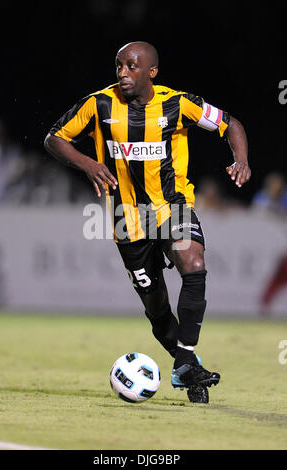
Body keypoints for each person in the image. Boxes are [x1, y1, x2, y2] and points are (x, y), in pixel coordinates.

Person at [44, 41, 251, 403]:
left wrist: (241, 160)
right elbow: (54, 138)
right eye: (119, 65)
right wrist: (89, 164)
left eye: (131, 66)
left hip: (173, 208)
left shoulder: (178, 103)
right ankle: (187, 365)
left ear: (151, 72)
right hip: (128, 219)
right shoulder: (99, 104)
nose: (123, 72)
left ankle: (186, 360)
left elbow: (230, 123)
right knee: (157, 310)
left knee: (194, 264)